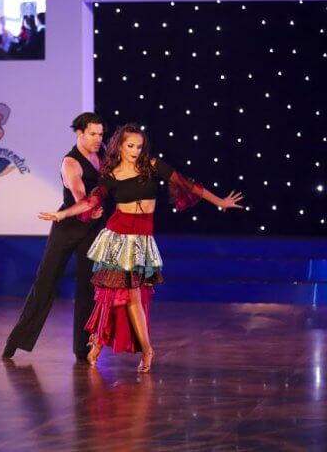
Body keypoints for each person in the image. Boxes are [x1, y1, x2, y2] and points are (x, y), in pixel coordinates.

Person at [39, 123, 244, 372]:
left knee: (132, 297)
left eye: (139, 146)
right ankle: (108, 344)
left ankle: (140, 350)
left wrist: (220, 202)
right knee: (113, 296)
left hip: (140, 240)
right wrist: (62, 215)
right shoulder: (111, 176)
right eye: (130, 146)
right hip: (117, 239)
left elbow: (187, 184)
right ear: (119, 147)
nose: (136, 150)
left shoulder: (152, 166)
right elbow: (90, 201)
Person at [2, 113, 106, 361]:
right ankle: (15, 342)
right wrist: (88, 208)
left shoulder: (102, 155)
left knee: (88, 287)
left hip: (92, 230)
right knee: (46, 283)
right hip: (68, 226)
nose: (97, 139)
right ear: (79, 133)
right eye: (92, 134)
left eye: (100, 134)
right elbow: (80, 195)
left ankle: (82, 348)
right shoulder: (71, 162)